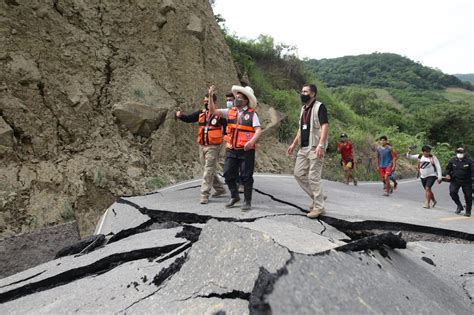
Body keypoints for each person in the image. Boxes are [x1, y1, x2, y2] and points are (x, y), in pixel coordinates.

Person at [208, 84, 262, 211]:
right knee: (227, 173)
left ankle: (247, 201)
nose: (236, 99)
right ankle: (234, 195)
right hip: (231, 149)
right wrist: (210, 96)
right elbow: (213, 111)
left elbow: (258, 130)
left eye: (239, 97)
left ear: (246, 100)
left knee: (246, 176)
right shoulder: (230, 112)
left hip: (246, 150)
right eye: (236, 97)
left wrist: (251, 142)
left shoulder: (252, 114)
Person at [175, 92, 226, 204]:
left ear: (214, 102)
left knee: (208, 170)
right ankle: (220, 189)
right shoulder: (200, 113)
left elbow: (227, 130)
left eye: (208, 102)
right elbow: (189, 118)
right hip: (202, 146)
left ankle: (204, 194)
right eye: (205, 102)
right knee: (208, 169)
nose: (206, 103)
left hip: (213, 147)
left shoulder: (220, 115)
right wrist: (180, 116)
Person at [287, 84, 329, 219]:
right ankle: (318, 197)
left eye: (305, 91)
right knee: (298, 174)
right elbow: (301, 129)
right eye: (302, 91)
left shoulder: (319, 107)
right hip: (303, 148)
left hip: (315, 147)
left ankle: (319, 207)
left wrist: (321, 145)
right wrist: (294, 144)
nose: (302, 93)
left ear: (313, 94)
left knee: (313, 176)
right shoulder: (303, 109)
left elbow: (324, 126)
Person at [445, 147, 472, 216]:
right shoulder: (453, 160)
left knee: (468, 196)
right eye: (458, 152)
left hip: (466, 181)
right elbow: (448, 169)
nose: (460, 154)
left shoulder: (469, 161)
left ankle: (468, 211)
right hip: (455, 180)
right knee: (452, 192)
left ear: (464, 153)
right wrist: (447, 174)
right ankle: (459, 206)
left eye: (461, 152)